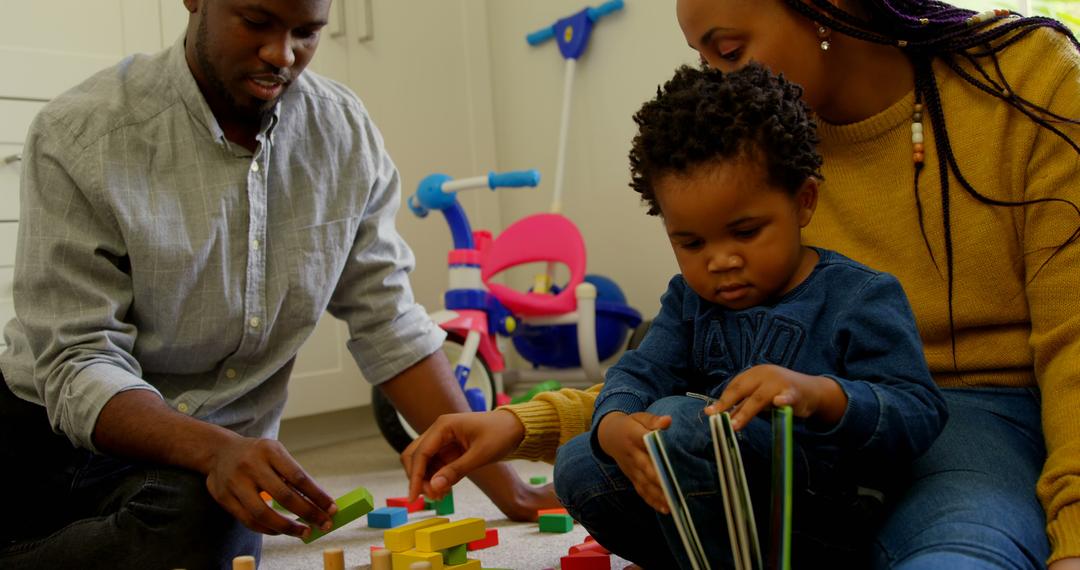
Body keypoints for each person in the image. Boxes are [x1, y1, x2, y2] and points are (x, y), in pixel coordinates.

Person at [403, 1, 1080, 568]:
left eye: (727, 49)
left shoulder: (1023, 79)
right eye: (705, 58)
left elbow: (1072, 346)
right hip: (801, 458)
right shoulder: (746, 159)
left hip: (965, 424)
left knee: (957, 548)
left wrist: (1074, 535)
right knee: (610, 460)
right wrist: (520, 424)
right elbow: (666, 374)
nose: (721, 83)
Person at [0, 0, 553, 567]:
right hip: (52, 433)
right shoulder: (82, 133)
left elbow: (389, 324)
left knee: (213, 532)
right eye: (257, 22)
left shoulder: (343, 133)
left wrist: (507, 488)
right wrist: (214, 449)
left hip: (199, 464)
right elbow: (78, 360)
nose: (282, 55)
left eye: (307, 32)